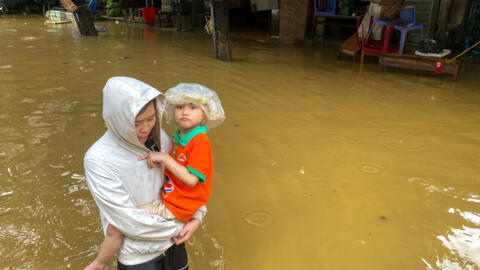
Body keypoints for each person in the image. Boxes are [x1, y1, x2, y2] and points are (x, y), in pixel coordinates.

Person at [86, 82, 225, 270]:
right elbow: (129, 222)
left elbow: (188, 182)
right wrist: (183, 223)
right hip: (140, 256)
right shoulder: (99, 160)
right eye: (136, 123)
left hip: (175, 241)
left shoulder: (159, 137)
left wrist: (197, 218)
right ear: (117, 119)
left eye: (151, 119)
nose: (146, 129)